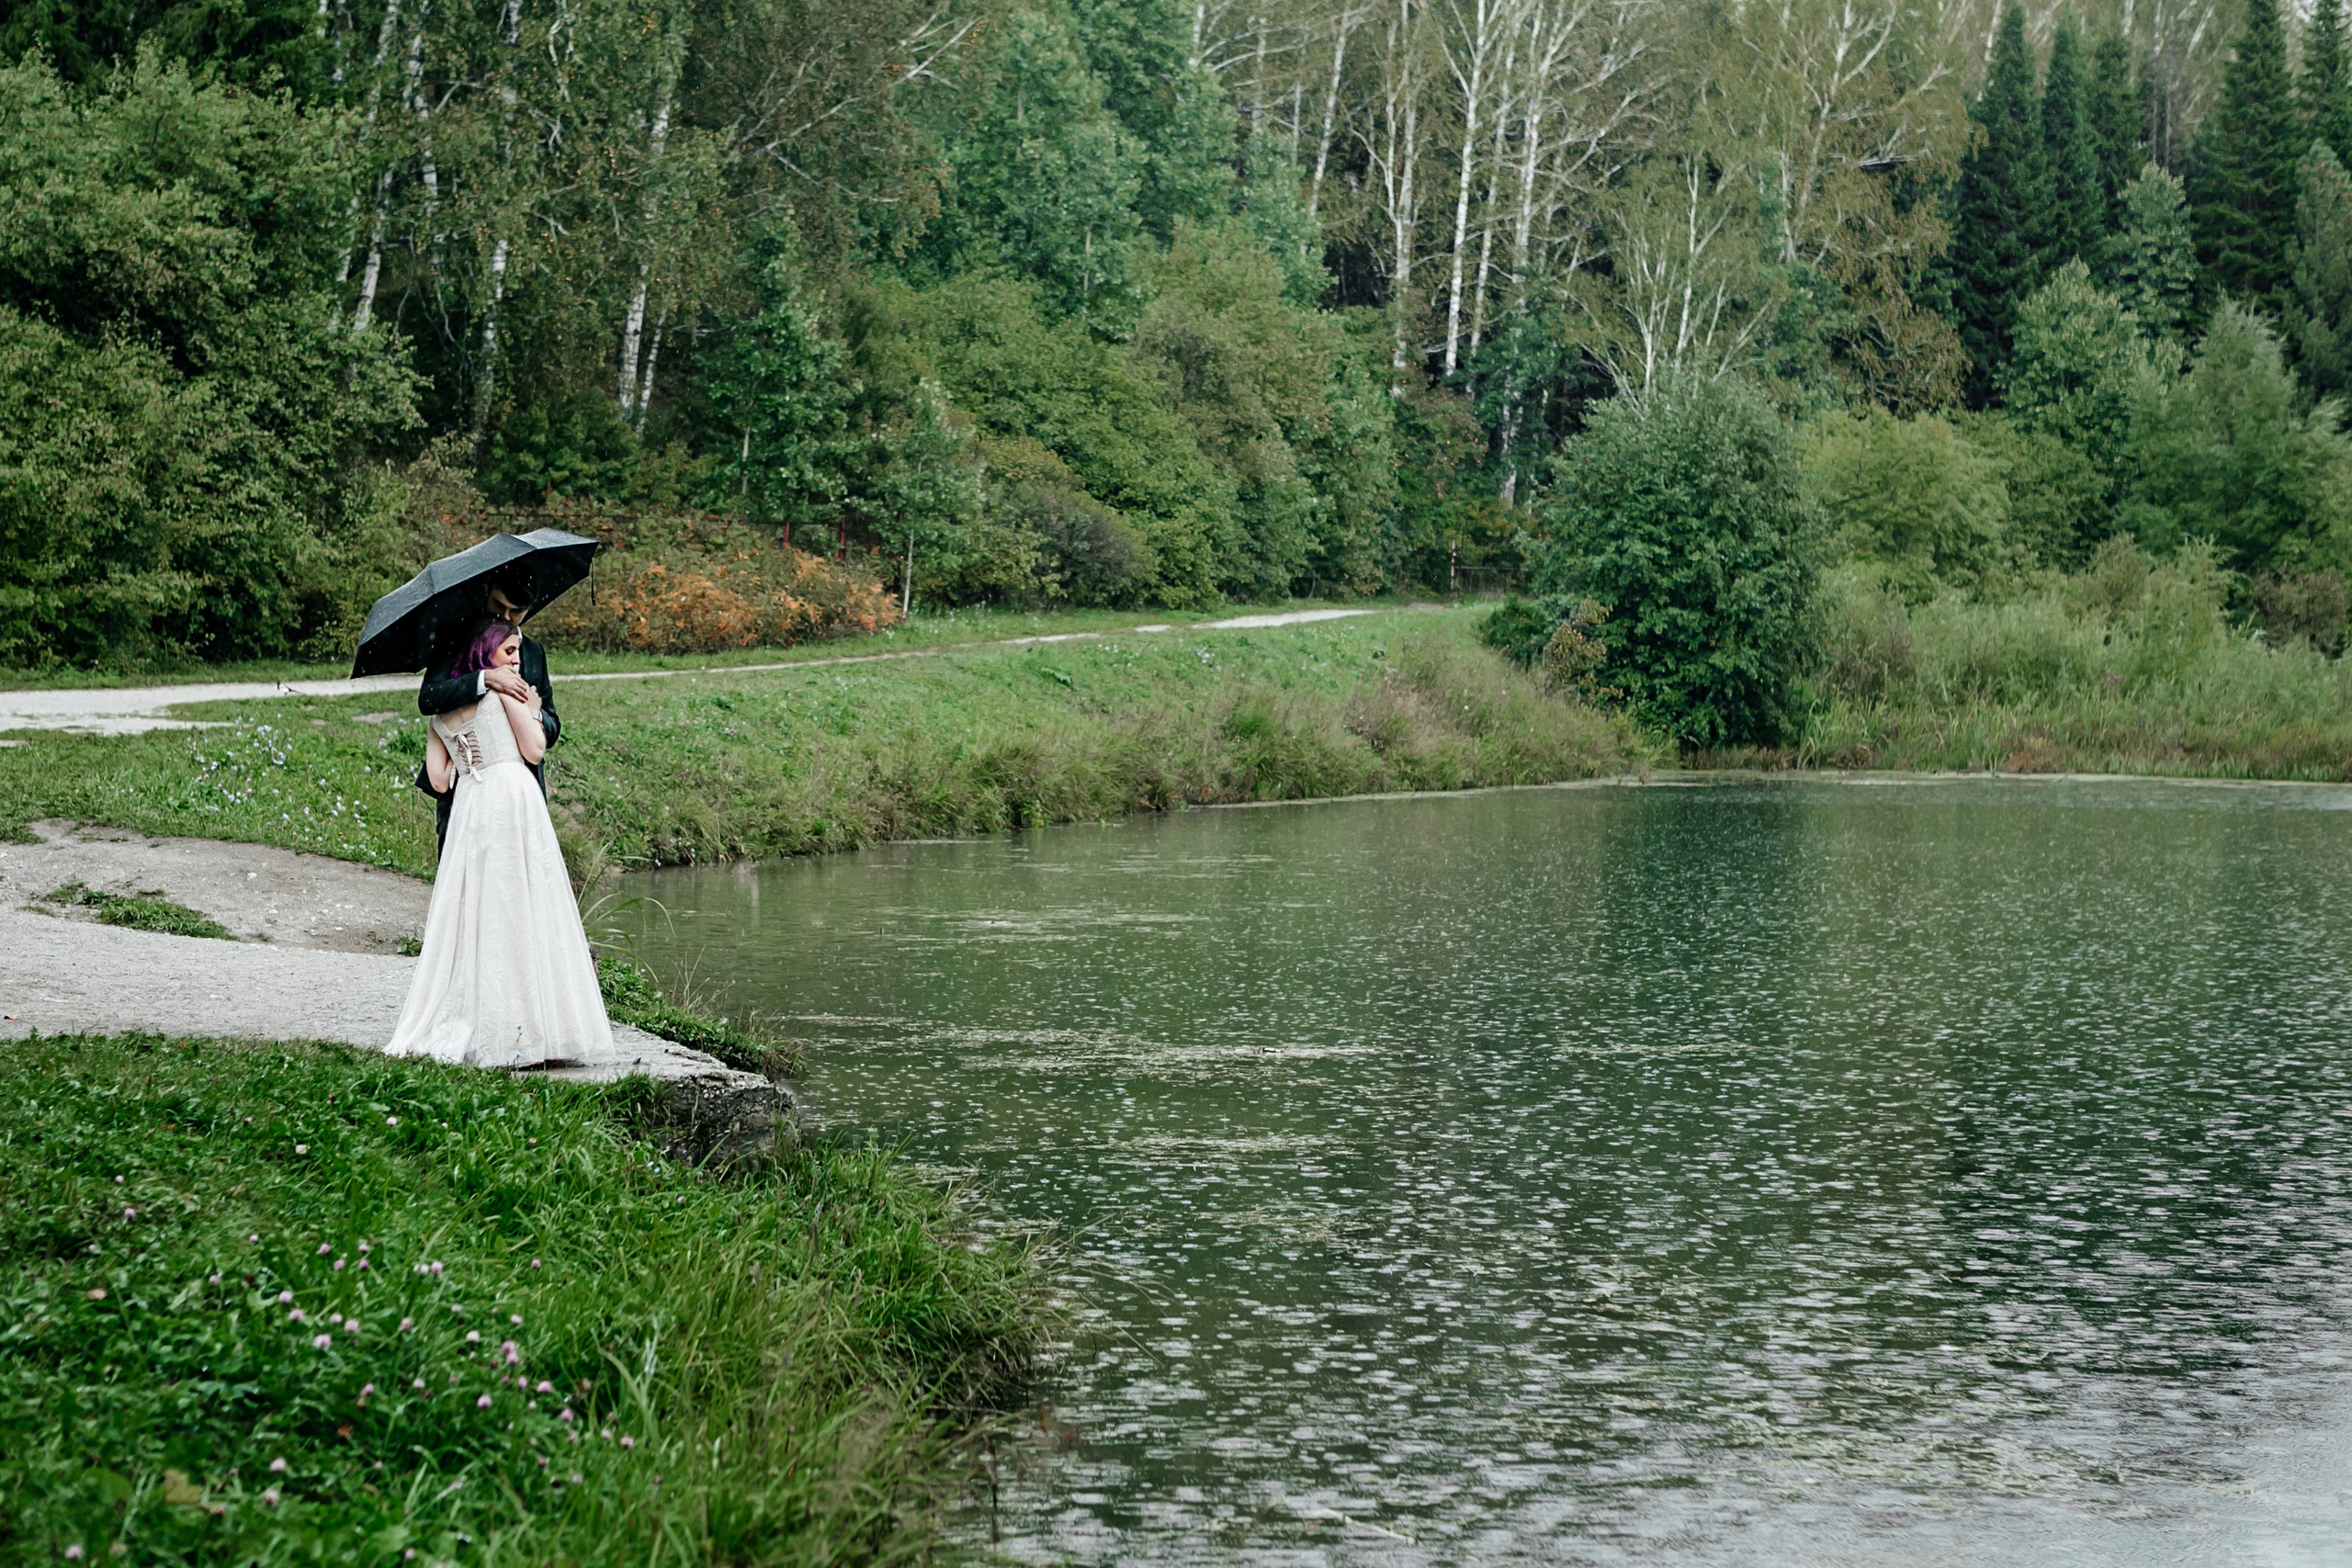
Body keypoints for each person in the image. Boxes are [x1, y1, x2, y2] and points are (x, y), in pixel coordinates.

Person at [386, 622, 612, 1067]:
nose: (516, 660)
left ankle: (480, 1018)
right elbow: (534, 750)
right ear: (486, 652)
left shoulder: (440, 717)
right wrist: (533, 709)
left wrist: (468, 757)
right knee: (523, 902)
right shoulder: (505, 691)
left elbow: (439, 780)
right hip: (511, 797)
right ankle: (528, 1026)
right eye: (509, 651)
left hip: (471, 803)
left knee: (478, 906)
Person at [416, 570, 558, 852]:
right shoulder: (455, 638)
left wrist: (535, 713)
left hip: (521, 793)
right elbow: (429, 699)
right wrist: (484, 679)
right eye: (498, 605)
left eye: (516, 611)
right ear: (486, 591)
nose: (505, 617)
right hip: (463, 790)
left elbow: (553, 726)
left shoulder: (533, 653)